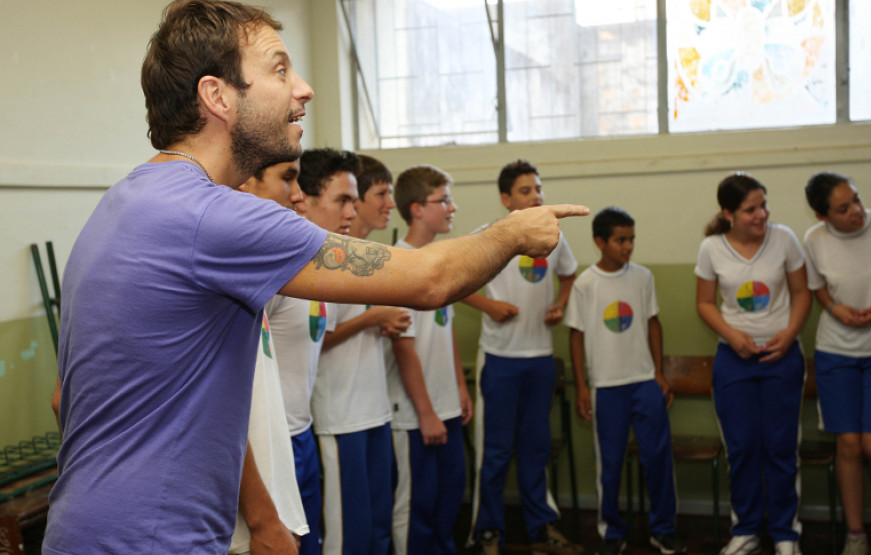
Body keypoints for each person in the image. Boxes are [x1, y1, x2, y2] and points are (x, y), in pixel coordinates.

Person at [45, 1, 588, 552]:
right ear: (218, 97)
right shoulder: (215, 217)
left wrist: (260, 517)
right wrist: (513, 232)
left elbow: (78, 401)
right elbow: (430, 280)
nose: (302, 88)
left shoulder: (127, 201)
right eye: (280, 70)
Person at [465, 159, 583, 554]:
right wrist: (488, 306)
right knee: (495, 452)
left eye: (538, 188)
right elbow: (458, 281)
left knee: (535, 448)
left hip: (540, 360)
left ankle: (541, 528)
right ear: (506, 198)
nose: (536, 196)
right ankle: (487, 532)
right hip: (500, 360)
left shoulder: (554, 236)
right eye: (526, 190)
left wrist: (561, 304)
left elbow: (568, 275)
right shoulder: (488, 235)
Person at [695, 173, 811, 555]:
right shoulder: (711, 248)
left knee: (780, 447)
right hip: (735, 361)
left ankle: (784, 534)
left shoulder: (785, 239)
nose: (762, 214)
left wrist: (790, 334)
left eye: (764, 205)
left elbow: (800, 294)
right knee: (742, 447)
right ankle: (745, 530)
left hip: (781, 358)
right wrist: (733, 336)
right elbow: (706, 303)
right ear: (728, 214)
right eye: (751, 209)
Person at [802, 172, 871, 555]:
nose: (857, 211)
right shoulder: (813, 240)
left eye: (857, 199)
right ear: (822, 216)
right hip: (836, 352)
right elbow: (816, 286)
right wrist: (834, 308)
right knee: (848, 444)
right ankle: (855, 534)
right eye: (843, 208)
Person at [565, 207, 685, 555]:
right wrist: (584, 387)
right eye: (621, 240)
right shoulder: (585, 284)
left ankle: (663, 529)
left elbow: (653, 324)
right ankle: (612, 532)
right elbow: (576, 336)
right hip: (606, 386)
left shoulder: (643, 277)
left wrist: (659, 374)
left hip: (644, 381)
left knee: (658, 458)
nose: (628, 246)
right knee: (610, 463)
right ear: (600, 242)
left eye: (632, 239)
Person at [310, 152, 410, 555]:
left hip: (375, 408)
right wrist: (373, 319)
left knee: (376, 525)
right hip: (340, 412)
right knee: (349, 533)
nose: (389, 203)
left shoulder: (365, 256)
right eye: (380, 193)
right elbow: (321, 336)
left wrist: (379, 320)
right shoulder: (326, 258)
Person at [262, 148, 361, 555]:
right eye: (343, 201)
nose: (352, 213)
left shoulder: (322, 267)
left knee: (310, 545)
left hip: (300, 432)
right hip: (272, 441)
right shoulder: (274, 273)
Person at [386, 165, 473, 554]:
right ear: (417, 208)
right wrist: (425, 412)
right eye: (444, 200)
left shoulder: (441, 259)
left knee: (449, 499)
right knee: (417, 506)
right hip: (417, 415)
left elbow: (445, 329)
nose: (452, 208)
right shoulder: (399, 264)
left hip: (447, 406)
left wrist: (459, 388)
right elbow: (404, 347)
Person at [228, 159, 309, 555]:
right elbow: (218, 416)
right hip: (243, 522)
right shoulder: (221, 275)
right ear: (245, 184)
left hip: (270, 497)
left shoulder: (254, 271)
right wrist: (262, 520)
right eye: (288, 179)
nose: (298, 196)